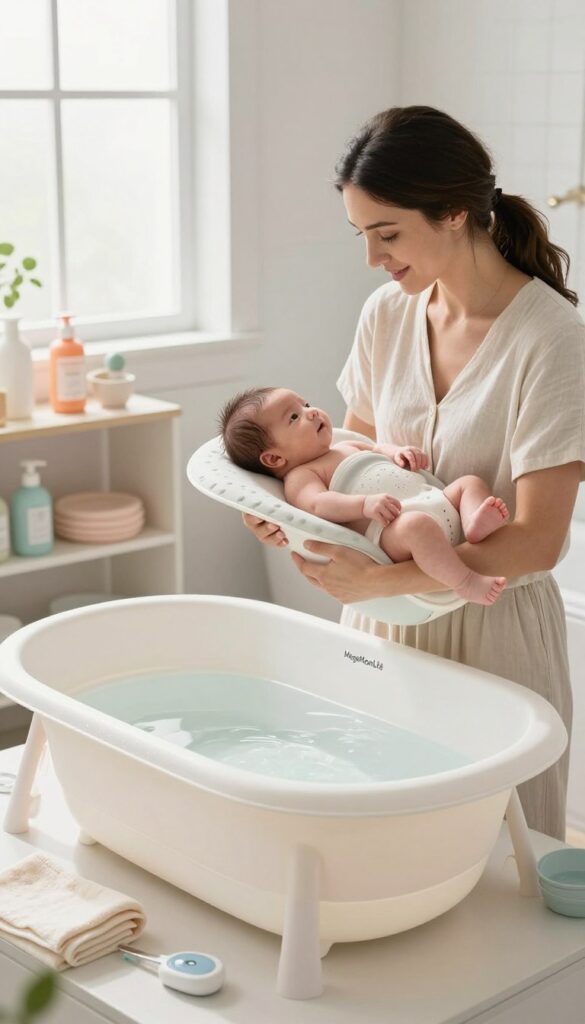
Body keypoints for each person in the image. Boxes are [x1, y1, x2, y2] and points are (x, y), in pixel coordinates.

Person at [243, 106, 585, 840]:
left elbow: (536, 543)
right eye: (360, 234)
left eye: (387, 233)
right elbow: (349, 452)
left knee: (501, 864)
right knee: (377, 842)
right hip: (379, 631)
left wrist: (382, 581)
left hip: (491, 627)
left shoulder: (551, 341)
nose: (371, 258)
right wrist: (289, 514)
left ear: (454, 213)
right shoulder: (386, 315)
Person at [221, 385, 509, 605]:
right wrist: (364, 504)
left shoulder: (345, 447)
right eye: (294, 417)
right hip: (390, 527)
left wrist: (398, 453)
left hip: (430, 498)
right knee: (417, 527)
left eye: (306, 403)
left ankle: (474, 522)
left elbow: (378, 449)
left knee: (469, 483)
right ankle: (465, 580)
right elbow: (319, 505)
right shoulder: (301, 476)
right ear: (273, 459)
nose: (311, 411)